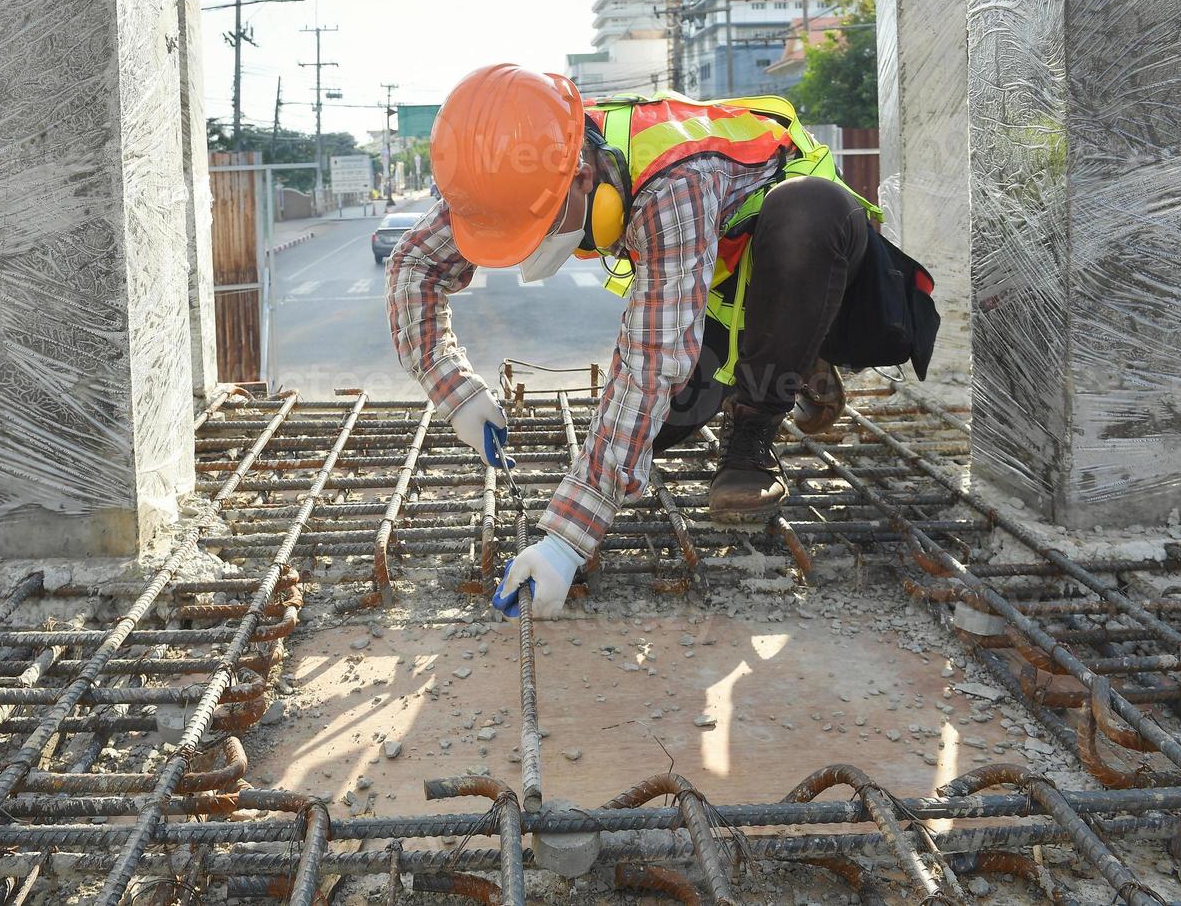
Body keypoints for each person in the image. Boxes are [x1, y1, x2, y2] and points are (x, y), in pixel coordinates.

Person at [386, 63, 903, 618]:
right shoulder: (516, 167)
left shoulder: (674, 182)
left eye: (530, 232)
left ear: (583, 177)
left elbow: (650, 363)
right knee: (647, 435)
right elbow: (414, 264)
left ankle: (762, 413)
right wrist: (454, 389)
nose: (521, 250)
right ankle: (763, 363)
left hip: (821, 270)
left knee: (807, 212)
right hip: (712, 299)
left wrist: (567, 540)